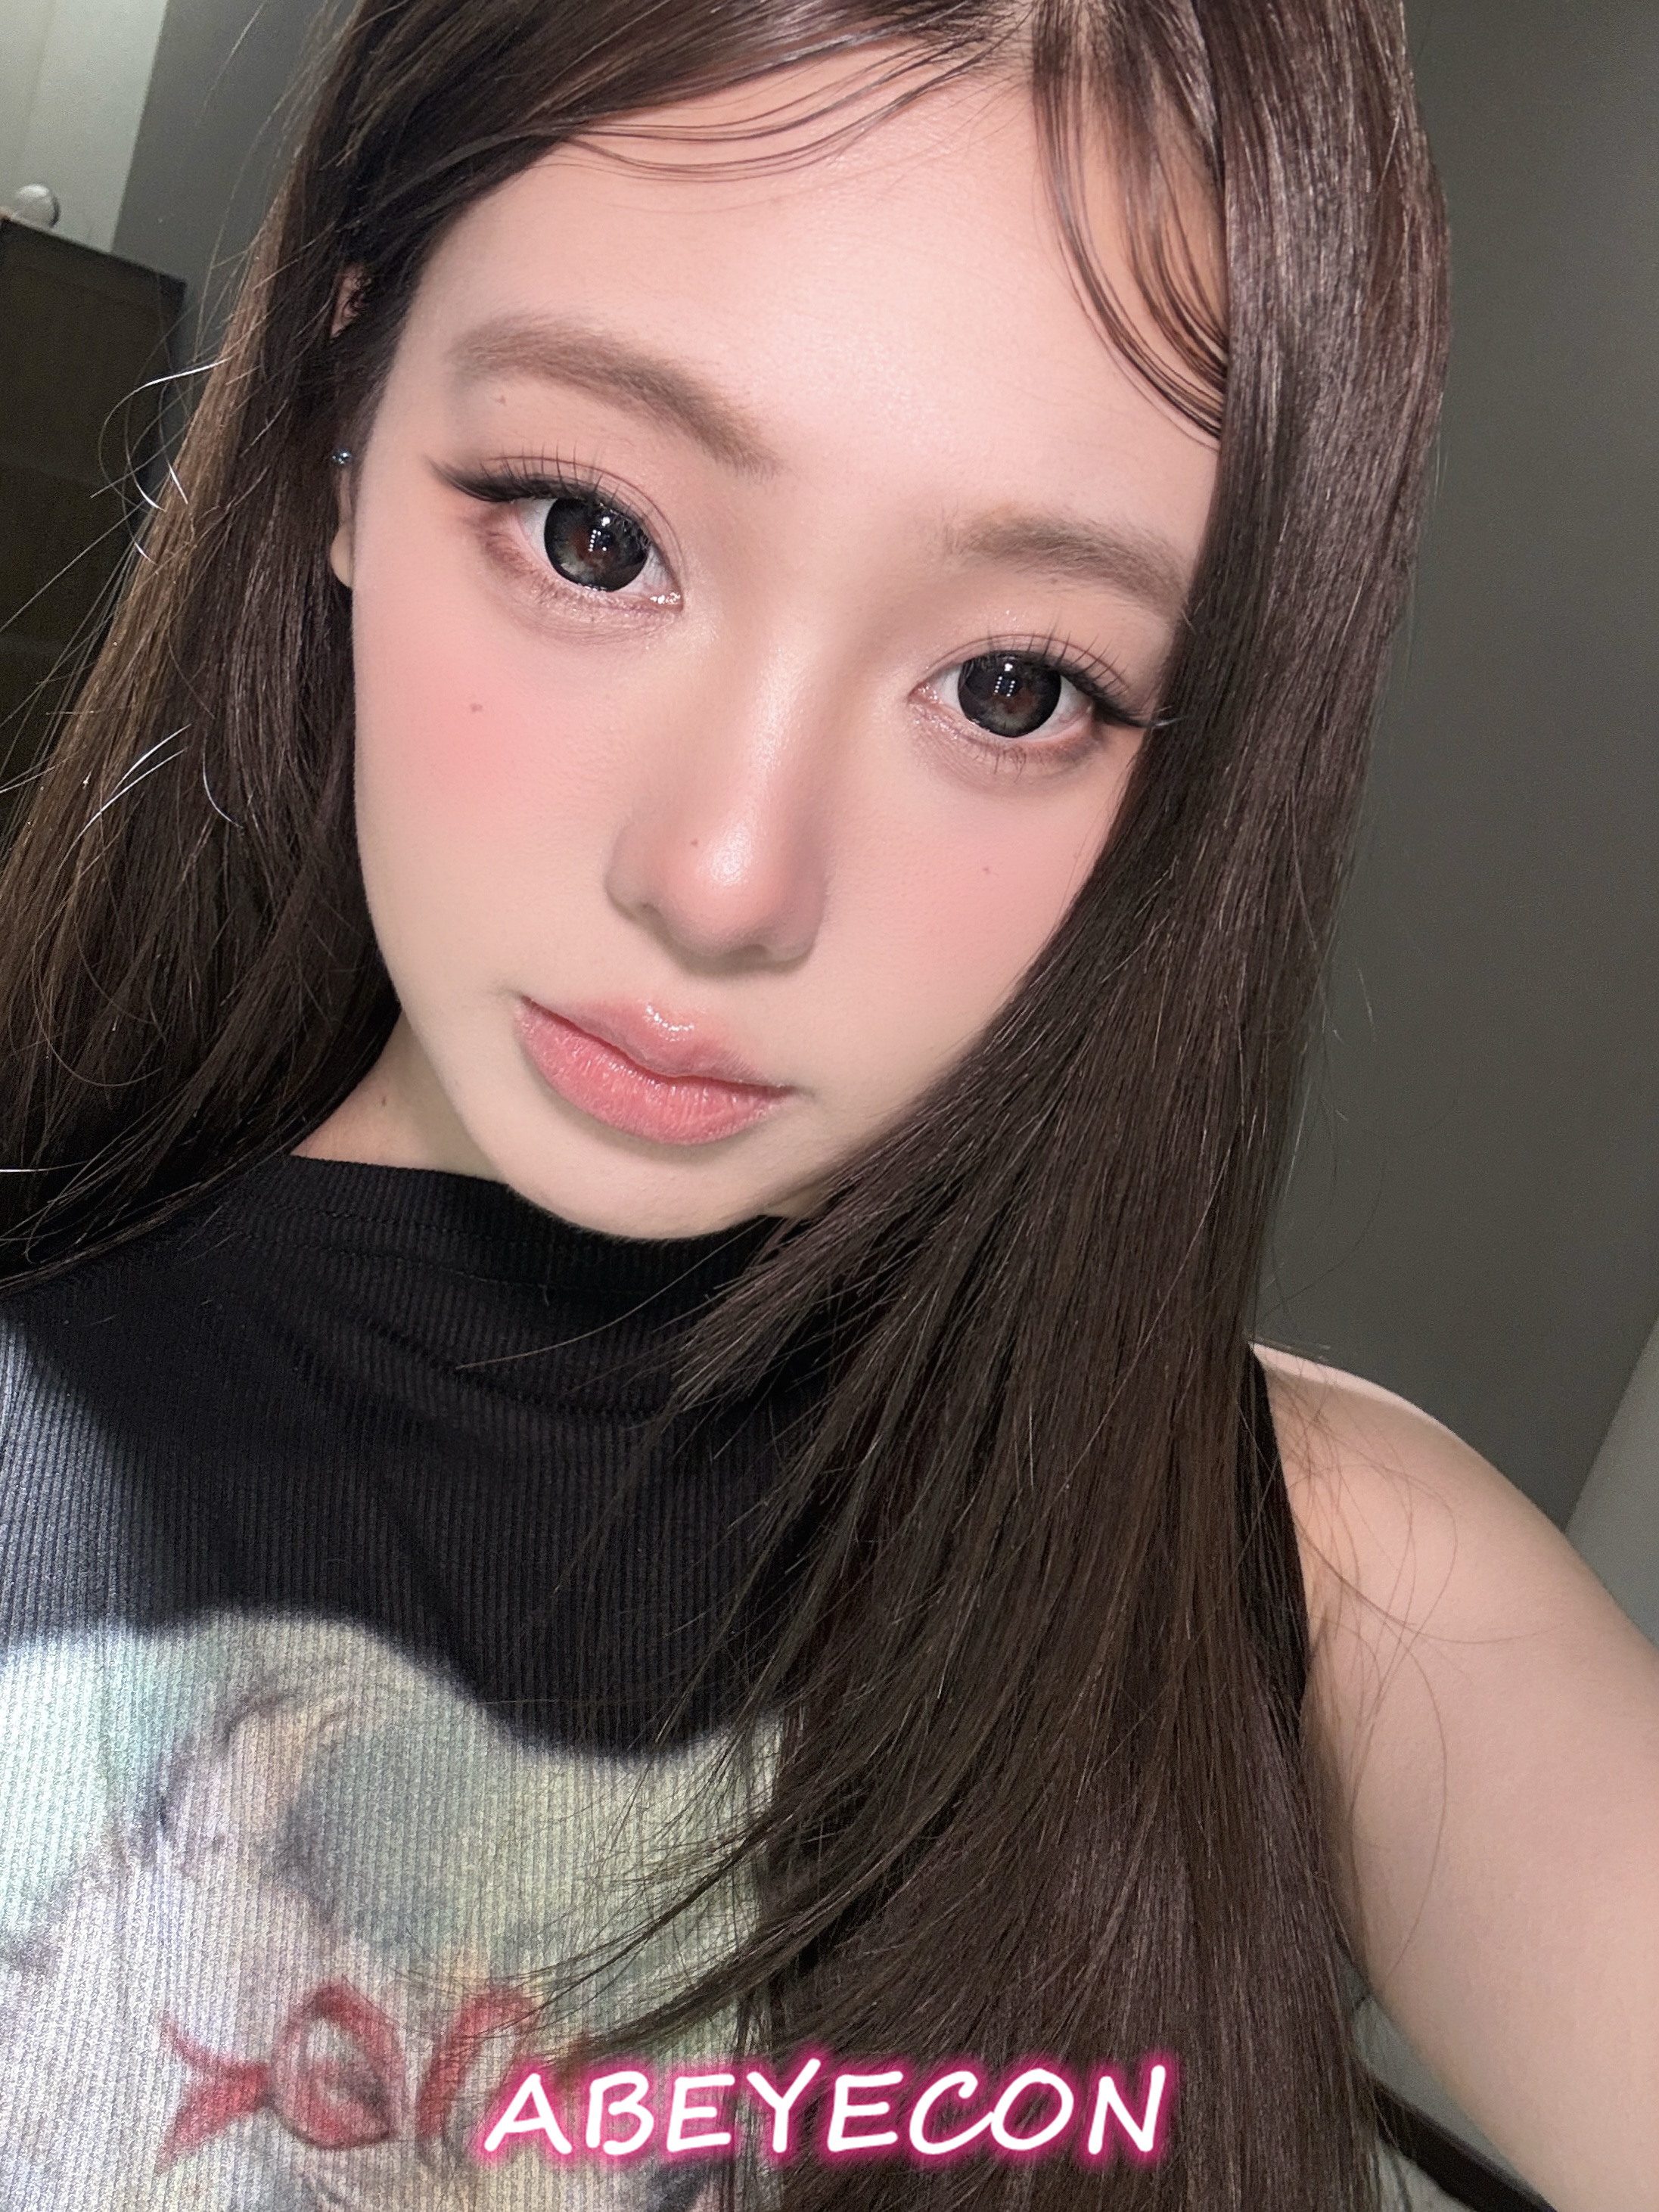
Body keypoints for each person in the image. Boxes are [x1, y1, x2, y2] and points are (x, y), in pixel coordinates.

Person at [0, 1, 1652, 2207]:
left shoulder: (1321, 1580)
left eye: (1013, 686)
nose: (724, 878)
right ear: (336, 418)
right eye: (593, 535)